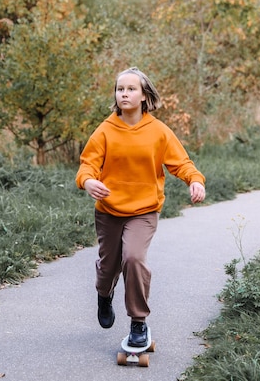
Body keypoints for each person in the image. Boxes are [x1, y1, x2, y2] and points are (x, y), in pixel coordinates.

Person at [75, 67, 206, 347]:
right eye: (120, 88)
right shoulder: (106, 130)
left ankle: (138, 322)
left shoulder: (158, 131)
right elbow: (87, 165)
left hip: (144, 210)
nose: (124, 93)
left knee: (133, 259)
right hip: (109, 211)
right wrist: (87, 182)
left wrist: (194, 180)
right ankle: (103, 294)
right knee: (109, 267)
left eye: (131, 89)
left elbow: (180, 163)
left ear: (144, 95)